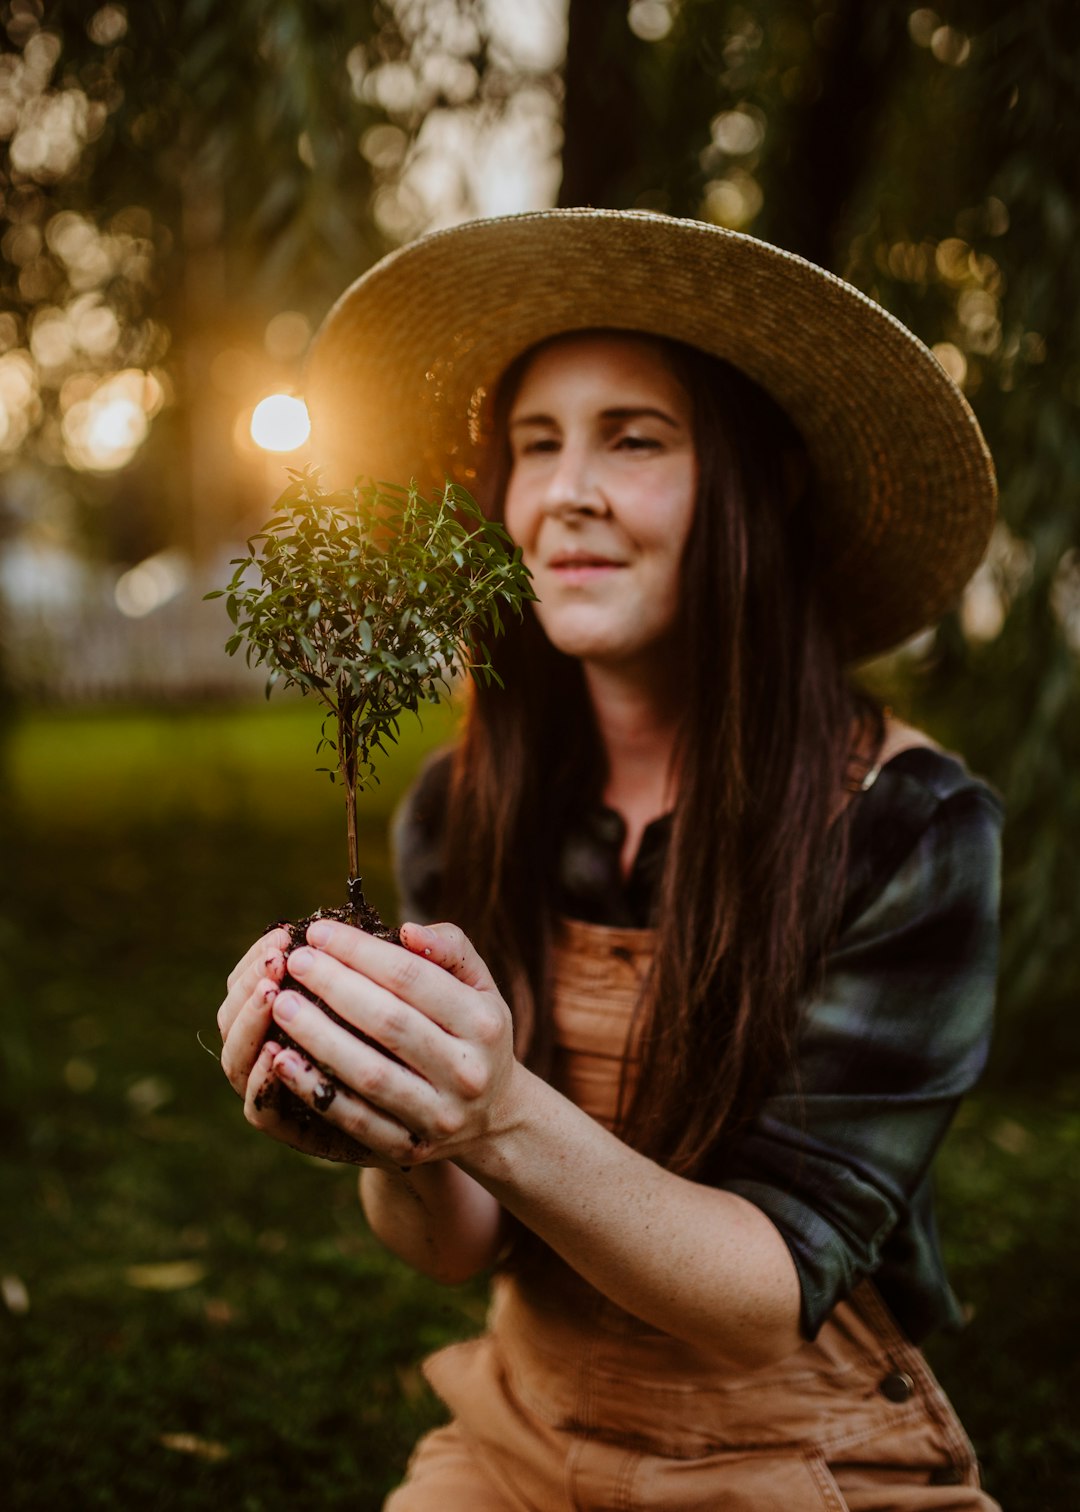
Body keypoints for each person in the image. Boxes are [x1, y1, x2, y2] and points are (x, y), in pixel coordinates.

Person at [217, 210, 1005, 1510]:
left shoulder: (908, 827)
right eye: (535, 444)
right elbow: (462, 1246)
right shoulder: (462, 807)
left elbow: (769, 1294)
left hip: (799, 1449)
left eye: (633, 439)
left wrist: (494, 1107)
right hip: (525, 1435)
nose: (565, 491)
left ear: (759, 483)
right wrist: (385, 1120)